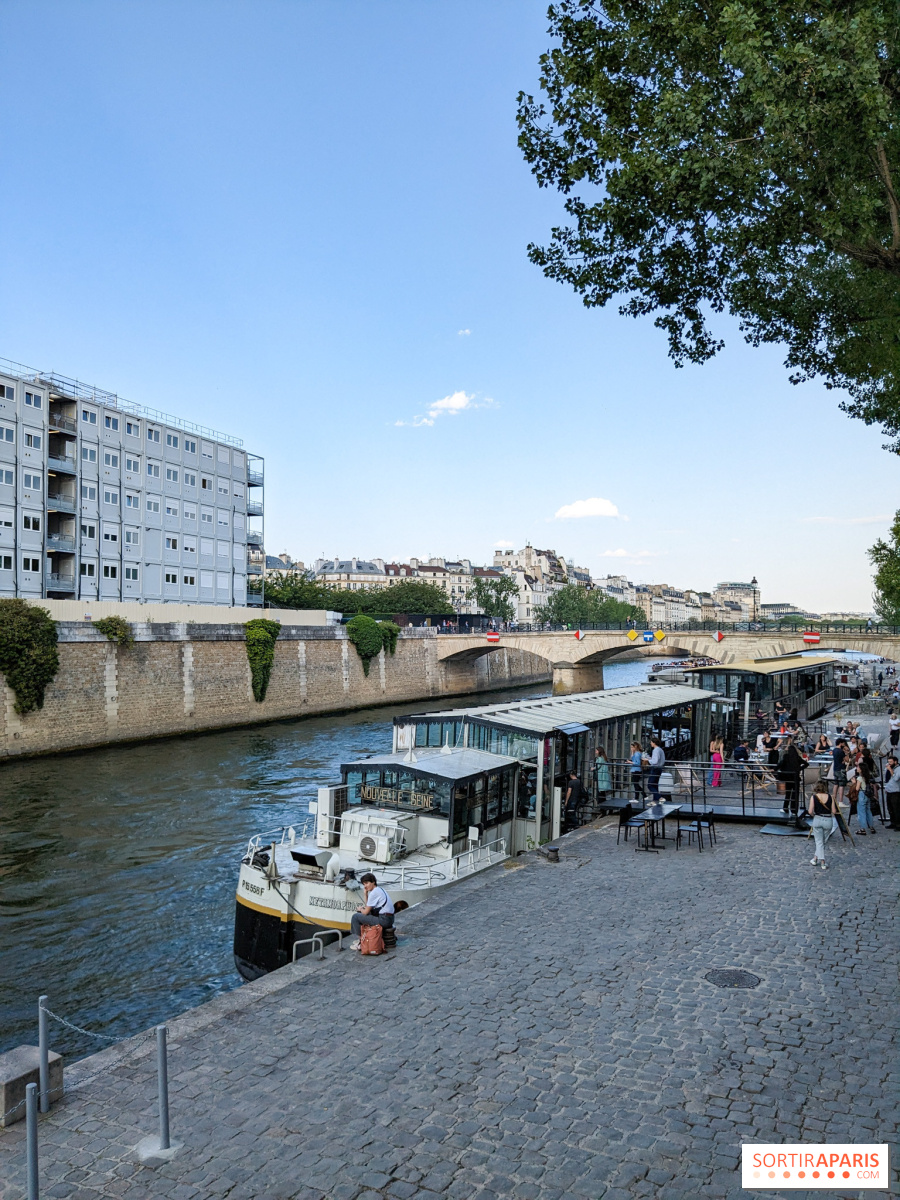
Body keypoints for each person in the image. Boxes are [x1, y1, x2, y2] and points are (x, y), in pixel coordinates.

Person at [349, 873, 395, 950]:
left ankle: (362, 942)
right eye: (364, 884)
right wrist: (365, 894)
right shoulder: (380, 889)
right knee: (363, 914)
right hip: (390, 918)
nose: (365, 886)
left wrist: (360, 909)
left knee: (356, 917)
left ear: (373, 882)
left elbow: (366, 912)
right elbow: (368, 907)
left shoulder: (374, 893)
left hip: (384, 920)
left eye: (367, 883)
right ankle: (364, 937)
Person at [807, 781, 838, 870]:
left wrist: (815, 816)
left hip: (817, 819)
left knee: (819, 842)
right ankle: (815, 859)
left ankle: (821, 861)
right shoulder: (830, 797)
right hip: (828, 820)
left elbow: (810, 811)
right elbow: (834, 811)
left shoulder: (814, 797)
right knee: (823, 841)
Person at [778, 736, 805, 818]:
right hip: (796, 778)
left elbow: (780, 764)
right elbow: (806, 764)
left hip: (788, 778)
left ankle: (785, 808)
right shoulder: (797, 758)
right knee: (795, 795)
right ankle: (794, 810)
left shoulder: (786, 757)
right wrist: (799, 769)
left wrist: (774, 769)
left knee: (788, 794)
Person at [855, 754, 877, 836]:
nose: (857, 768)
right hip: (868, 794)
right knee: (868, 811)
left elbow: (857, 788)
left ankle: (863, 828)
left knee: (861, 812)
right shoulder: (868, 776)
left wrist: (854, 783)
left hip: (862, 794)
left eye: (858, 768)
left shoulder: (859, 778)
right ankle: (871, 827)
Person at [884, 755, 900, 829]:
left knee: (896, 809)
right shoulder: (890, 768)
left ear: (895, 762)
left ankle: (898, 824)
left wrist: (890, 770)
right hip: (889, 790)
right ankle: (892, 822)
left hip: (896, 791)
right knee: (890, 808)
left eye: (891, 762)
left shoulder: (898, 769)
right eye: (888, 762)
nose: (889, 764)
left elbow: (896, 778)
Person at [648, 737, 665, 803]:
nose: (650, 743)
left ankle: (659, 797)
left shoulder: (656, 750)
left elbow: (655, 761)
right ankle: (655, 800)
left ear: (654, 743)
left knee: (650, 785)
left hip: (655, 768)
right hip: (659, 768)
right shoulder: (660, 750)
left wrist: (648, 760)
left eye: (651, 742)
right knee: (655, 784)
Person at [831, 739, 848, 807]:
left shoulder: (834, 750)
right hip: (841, 769)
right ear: (840, 743)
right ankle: (840, 801)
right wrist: (846, 753)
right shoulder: (841, 751)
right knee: (841, 785)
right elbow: (846, 760)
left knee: (836, 784)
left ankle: (834, 799)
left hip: (835, 769)